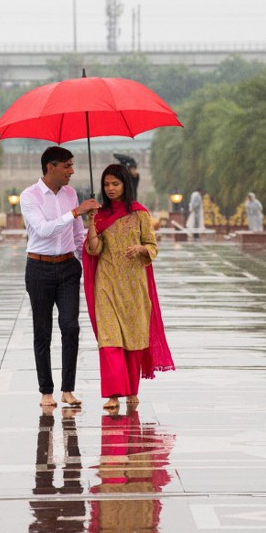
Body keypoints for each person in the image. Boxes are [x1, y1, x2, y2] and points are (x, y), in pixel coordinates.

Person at [82, 164, 174, 410]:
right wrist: (91, 224)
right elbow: (93, 250)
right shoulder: (99, 214)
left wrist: (141, 249)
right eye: (106, 184)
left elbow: (152, 247)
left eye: (115, 184)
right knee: (109, 338)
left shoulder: (139, 213)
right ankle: (113, 394)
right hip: (107, 284)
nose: (110, 189)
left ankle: (132, 389)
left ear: (125, 185)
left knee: (133, 338)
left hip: (134, 285)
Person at [20, 146, 100, 408]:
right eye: (67, 166)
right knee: (42, 332)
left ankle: (68, 389)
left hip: (67, 268)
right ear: (50, 167)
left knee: (71, 326)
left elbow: (77, 235)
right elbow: (42, 230)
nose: (72, 171)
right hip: (39, 268)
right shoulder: (29, 196)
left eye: (73, 165)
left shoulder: (70, 194)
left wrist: (87, 261)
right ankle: (46, 391)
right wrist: (75, 212)